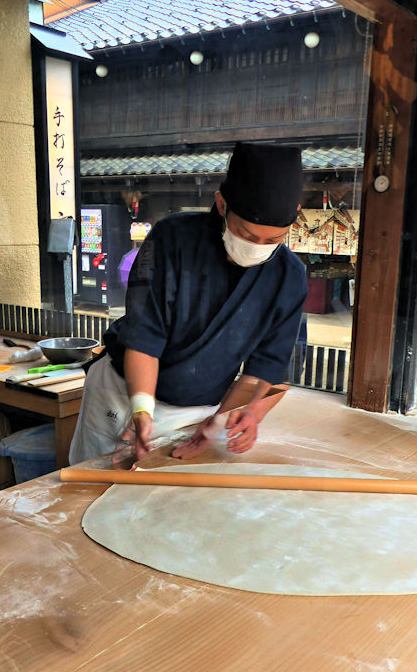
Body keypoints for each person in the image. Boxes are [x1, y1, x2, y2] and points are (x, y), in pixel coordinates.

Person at [69, 142, 307, 464]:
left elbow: (268, 368)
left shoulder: (288, 276)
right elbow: (145, 335)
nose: (258, 247)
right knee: (88, 489)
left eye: (274, 240)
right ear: (222, 205)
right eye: (248, 235)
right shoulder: (173, 238)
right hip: (123, 394)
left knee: (160, 505)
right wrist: (141, 408)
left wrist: (240, 414)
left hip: (197, 411)